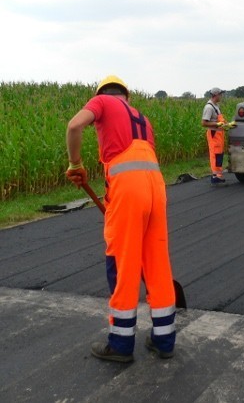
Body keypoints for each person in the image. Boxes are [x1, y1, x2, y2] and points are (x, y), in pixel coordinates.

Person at [66, 75, 176, 363]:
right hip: (157, 189)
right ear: (127, 96)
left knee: (122, 263)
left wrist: (75, 164)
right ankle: (164, 340)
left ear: (103, 94)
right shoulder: (142, 118)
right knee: (156, 263)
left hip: (128, 192)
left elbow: (74, 125)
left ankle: (120, 344)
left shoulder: (102, 101)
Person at [202, 87, 231, 185]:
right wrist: (216, 125)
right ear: (215, 95)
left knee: (219, 154)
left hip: (219, 133)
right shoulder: (209, 107)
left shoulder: (216, 106)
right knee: (215, 154)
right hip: (214, 133)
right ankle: (214, 176)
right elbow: (204, 123)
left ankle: (218, 175)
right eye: (220, 94)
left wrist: (228, 125)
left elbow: (219, 119)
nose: (221, 96)